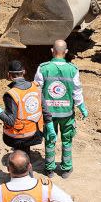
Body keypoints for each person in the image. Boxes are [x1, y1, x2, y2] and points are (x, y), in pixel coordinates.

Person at [34, 40, 87, 178]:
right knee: (67, 140)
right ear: (66, 52)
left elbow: (37, 90)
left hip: (48, 114)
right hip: (67, 114)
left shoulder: (43, 68)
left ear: (52, 51)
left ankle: (50, 169)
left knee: (50, 139)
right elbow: (76, 92)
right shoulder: (72, 69)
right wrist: (82, 107)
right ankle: (66, 168)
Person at [0, 60, 50, 156]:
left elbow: (10, 121)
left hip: (19, 137)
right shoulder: (36, 87)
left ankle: (21, 166)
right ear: (24, 72)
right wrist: (49, 124)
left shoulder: (11, 94)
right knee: (24, 153)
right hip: (36, 133)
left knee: (19, 158)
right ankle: (26, 164)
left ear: (9, 75)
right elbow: (45, 109)